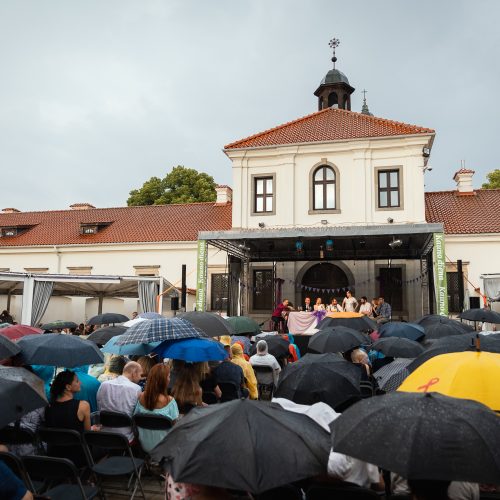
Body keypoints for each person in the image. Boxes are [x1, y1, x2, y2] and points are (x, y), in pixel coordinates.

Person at [44, 370, 91, 467]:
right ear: (68, 387)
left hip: (54, 455)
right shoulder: (83, 406)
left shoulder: (48, 406)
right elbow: (88, 434)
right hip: (78, 457)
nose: (80, 383)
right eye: (77, 381)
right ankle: (91, 477)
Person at [134, 364, 179, 453]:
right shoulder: (170, 401)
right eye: (169, 376)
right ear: (163, 380)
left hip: (144, 446)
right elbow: (176, 427)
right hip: (165, 447)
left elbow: (135, 417)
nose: (169, 379)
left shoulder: (141, 396)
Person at [96, 361, 142, 441]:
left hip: (104, 433)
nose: (141, 378)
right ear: (134, 373)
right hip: (126, 436)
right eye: (140, 375)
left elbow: (99, 408)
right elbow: (137, 415)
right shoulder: (136, 389)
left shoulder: (104, 385)